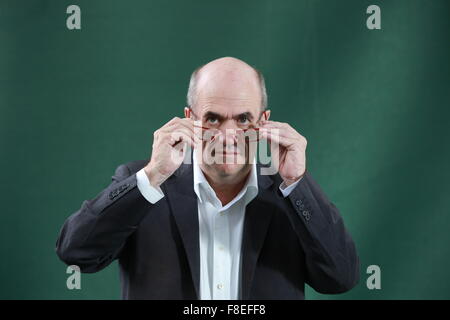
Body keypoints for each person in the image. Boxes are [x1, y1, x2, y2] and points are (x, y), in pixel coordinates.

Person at [56, 57, 359, 299]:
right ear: (190, 119)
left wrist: (296, 183)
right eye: (213, 118)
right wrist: (151, 177)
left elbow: (340, 278)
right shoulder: (145, 184)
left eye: (243, 119)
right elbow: (76, 252)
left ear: (263, 123)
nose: (228, 136)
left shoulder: (289, 195)